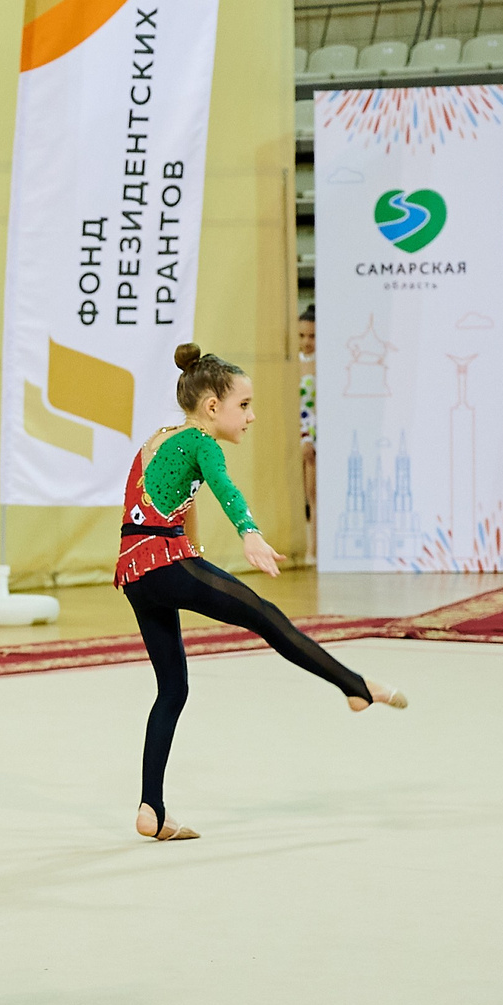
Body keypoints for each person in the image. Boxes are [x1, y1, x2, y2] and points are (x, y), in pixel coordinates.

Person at [117, 343, 405, 842]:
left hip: (135, 575)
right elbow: (225, 487)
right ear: (212, 407)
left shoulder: (160, 439)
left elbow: (163, 503)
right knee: (268, 617)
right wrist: (249, 531)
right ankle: (355, 687)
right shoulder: (202, 442)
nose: (251, 417)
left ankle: (152, 809)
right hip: (165, 563)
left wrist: (193, 546)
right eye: (244, 406)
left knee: (173, 688)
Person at [297, 304, 318, 558]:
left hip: (313, 435)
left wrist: (309, 437)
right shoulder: (294, 363)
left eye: (312, 336)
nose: (306, 341)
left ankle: (314, 550)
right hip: (298, 434)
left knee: (314, 495)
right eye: (302, 335)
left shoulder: (321, 364)